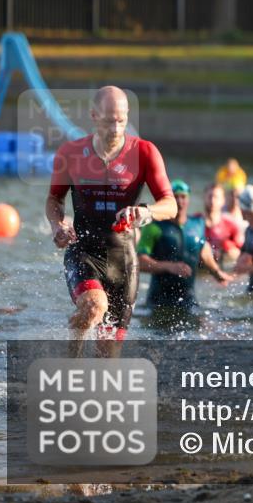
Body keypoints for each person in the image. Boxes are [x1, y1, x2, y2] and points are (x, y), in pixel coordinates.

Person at [46, 86, 177, 356]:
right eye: (109, 121)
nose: (116, 129)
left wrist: (145, 212)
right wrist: (57, 225)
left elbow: (170, 204)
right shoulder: (71, 153)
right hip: (84, 251)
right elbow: (54, 199)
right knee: (94, 306)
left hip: (123, 259)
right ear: (94, 116)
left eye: (121, 120)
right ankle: (70, 363)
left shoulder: (144, 152)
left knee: (109, 354)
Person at [137, 180, 232, 320]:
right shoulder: (154, 227)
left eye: (183, 197)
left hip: (189, 301)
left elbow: (203, 250)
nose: (179, 201)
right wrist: (168, 266)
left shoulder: (197, 224)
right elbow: (140, 262)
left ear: (188, 199)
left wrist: (217, 272)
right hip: (158, 304)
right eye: (175, 197)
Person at [197, 183, 244, 262]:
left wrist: (226, 252)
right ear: (203, 198)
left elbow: (242, 254)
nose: (212, 200)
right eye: (210, 196)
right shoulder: (194, 222)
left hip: (223, 266)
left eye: (216, 197)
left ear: (223, 200)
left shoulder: (230, 225)